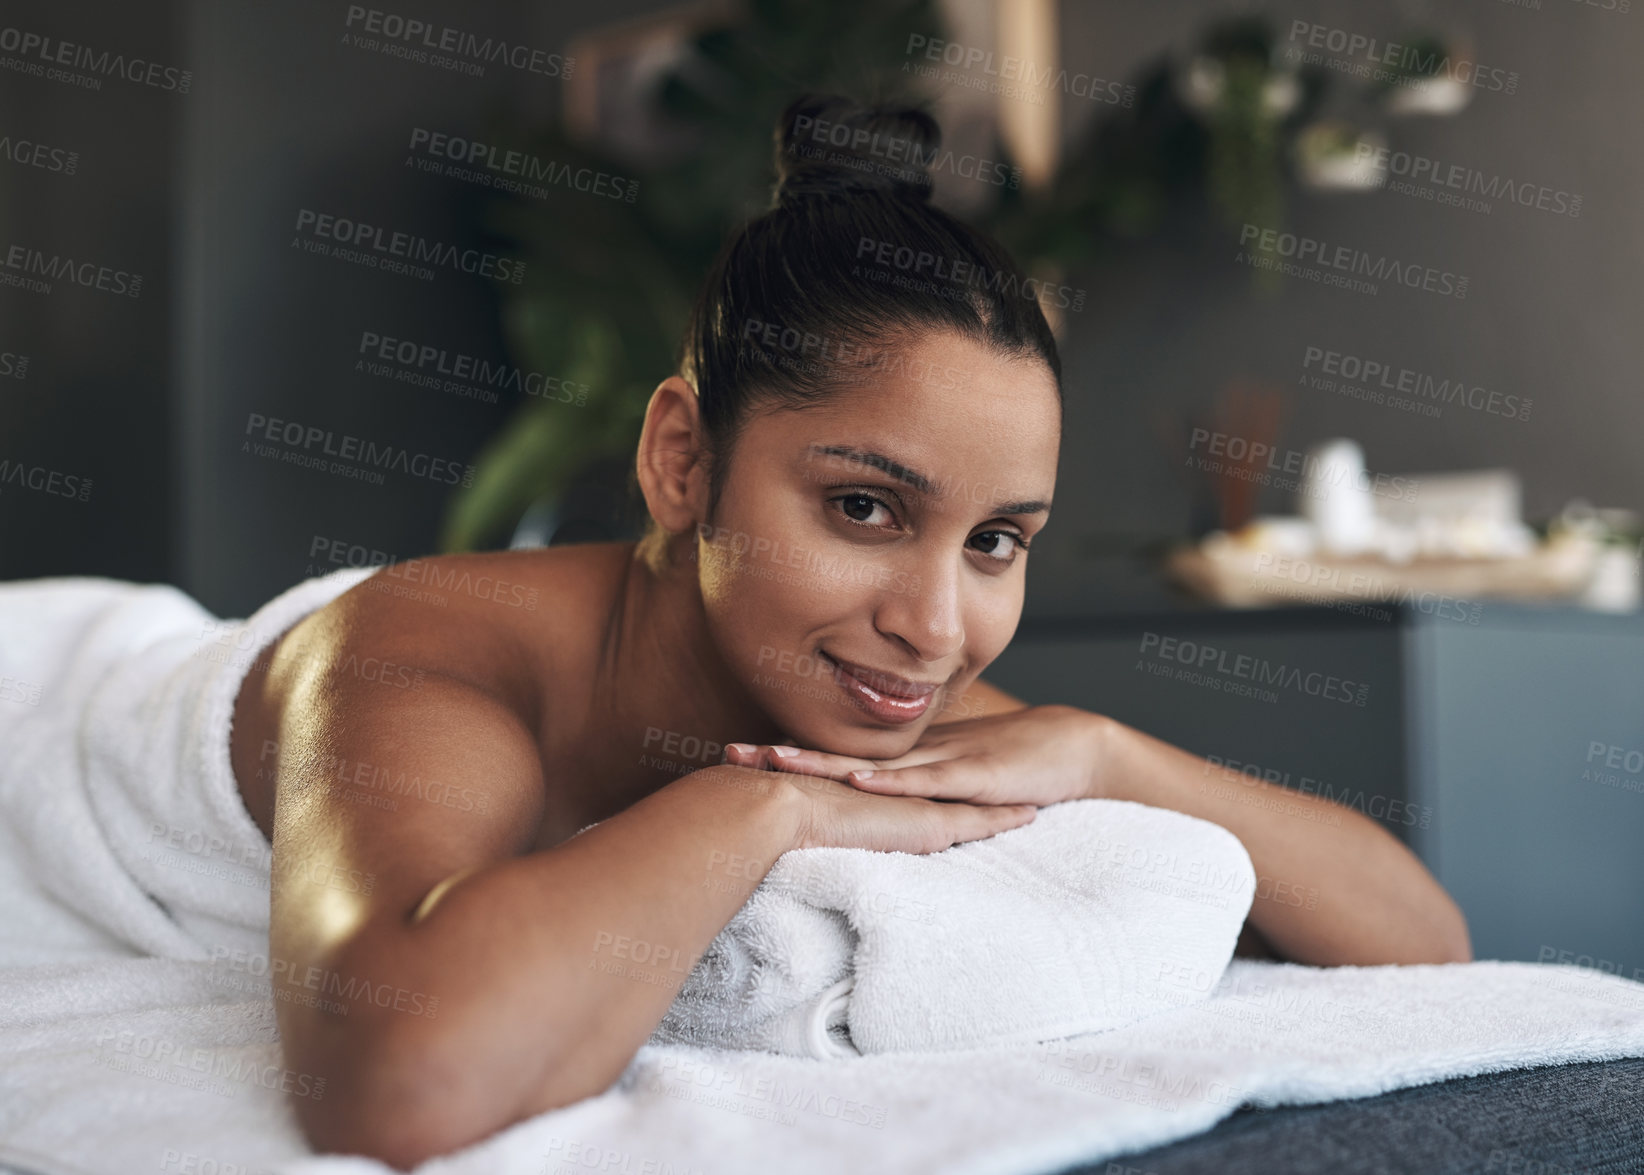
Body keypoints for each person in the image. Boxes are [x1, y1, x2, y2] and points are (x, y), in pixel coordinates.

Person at [228, 93, 1471, 1168]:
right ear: (681, 459)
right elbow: (398, 1084)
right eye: (863, 506)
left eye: (996, 541)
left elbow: (1421, 940)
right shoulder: (424, 651)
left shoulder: (875, 690)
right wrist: (765, 806)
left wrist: (1104, 753)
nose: (933, 629)